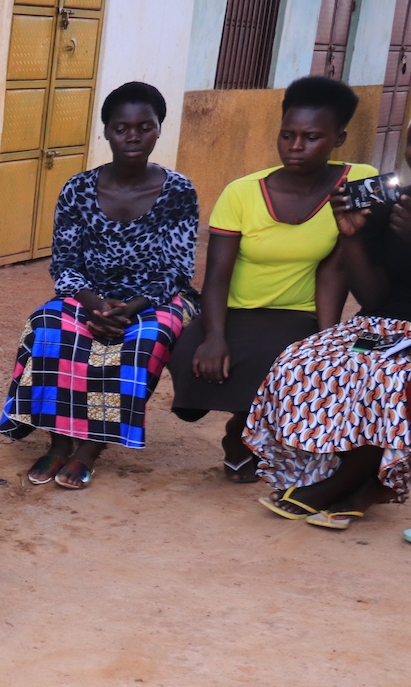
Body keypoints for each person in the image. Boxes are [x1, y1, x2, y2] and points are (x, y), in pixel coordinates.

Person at [168, 76, 378, 481]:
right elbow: (216, 277)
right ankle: (243, 432)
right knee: (190, 356)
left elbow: (335, 269)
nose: (295, 147)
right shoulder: (242, 193)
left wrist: (326, 339)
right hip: (232, 312)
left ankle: (243, 435)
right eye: (287, 135)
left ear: (339, 138)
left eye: (311, 137)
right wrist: (213, 337)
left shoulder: (357, 182)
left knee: (297, 364)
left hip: (296, 314)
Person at [0, 82, 199, 489]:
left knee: (145, 339)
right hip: (87, 294)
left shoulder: (179, 191)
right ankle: (59, 441)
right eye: (122, 127)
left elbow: (177, 270)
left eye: (145, 126)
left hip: (156, 297)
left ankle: (90, 447)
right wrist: (95, 305)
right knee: (48, 327)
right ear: (105, 131)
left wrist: (131, 308)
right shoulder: (77, 190)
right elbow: (65, 264)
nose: (133, 136)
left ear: (159, 129)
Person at [245, 130, 411, 529]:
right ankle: (359, 482)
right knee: (305, 360)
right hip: (384, 325)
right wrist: (350, 237)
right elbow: (373, 295)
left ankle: (347, 481)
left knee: (388, 376)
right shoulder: (389, 204)